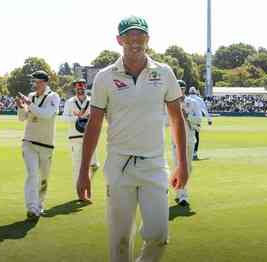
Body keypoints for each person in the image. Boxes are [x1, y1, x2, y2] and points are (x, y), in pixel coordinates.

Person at [77, 15, 188, 262]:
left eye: (140, 35)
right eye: (129, 35)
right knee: (120, 241)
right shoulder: (105, 77)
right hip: (119, 166)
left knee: (159, 234)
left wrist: (183, 164)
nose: (135, 40)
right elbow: (94, 124)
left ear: (148, 39)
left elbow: (177, 120)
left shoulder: (164, 72)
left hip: (154, 165)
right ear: (119, 40)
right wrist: (84, 170)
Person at [16, 70, 60, 219]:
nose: (34, 85)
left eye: (37, 82)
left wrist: (30, 104)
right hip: (29, 142)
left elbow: (47, 115)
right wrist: (21, 107)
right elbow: (22, 118)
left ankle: (39, 205)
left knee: (43, 179)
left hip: (46, 145)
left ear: (44, 82)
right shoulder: (31, 96)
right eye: (33, 82)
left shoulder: (53, 97)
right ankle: (32, 208)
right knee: (32, 175)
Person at [62, 79, 99, 196]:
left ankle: (85, 184)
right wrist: (78, 118)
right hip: (75, 137)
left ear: (85, 88)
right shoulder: (70, 102)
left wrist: (86, 118)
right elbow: (64, 118)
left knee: (94, 165)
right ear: (75, 89)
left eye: (82, 88)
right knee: (77, 167)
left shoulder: (92, 101)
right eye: (78, 88)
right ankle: (80, 193)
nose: (80, 90)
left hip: (89, 137)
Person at [170, 80, 202, 206]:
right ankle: (182, 194)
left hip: (190, 139)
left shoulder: (192, 103)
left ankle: (179, 189)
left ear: (184, 89)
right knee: (179, 165)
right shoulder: (171, 104)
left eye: (181, 88)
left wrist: (187, 116)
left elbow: (199, 119)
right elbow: (165, 121)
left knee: (188, 167)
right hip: (176, 140)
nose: (179, 90)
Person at [188, 86, 212, 160]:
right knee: (196, 136)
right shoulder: (199, 99)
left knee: (188, 136)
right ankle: (194, 153)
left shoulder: (187, 99)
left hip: (188, 120)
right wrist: (209, 120)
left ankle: (188, 153)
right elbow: (204, 109)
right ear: (195, 92)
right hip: (197, 120)